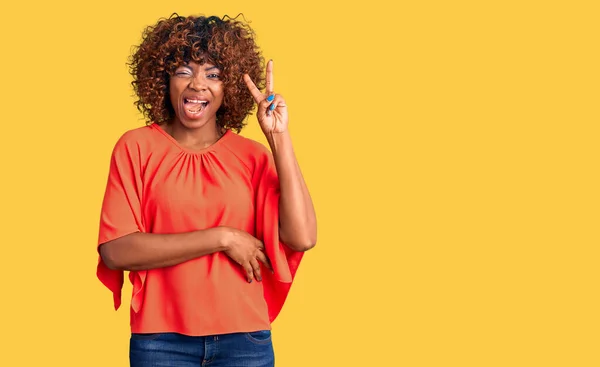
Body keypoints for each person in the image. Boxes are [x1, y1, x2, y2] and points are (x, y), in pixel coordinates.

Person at [95, 13, 317, 367]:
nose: (198, 85)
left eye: (213, 75)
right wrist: (223, 238)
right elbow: (116, 251)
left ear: (227, 86)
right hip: (160, 343)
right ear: (163, 79)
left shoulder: (252, 156)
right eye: (184, 71)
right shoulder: (135, 148)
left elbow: (302, 236)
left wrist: (278, 135)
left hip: (244, 341)